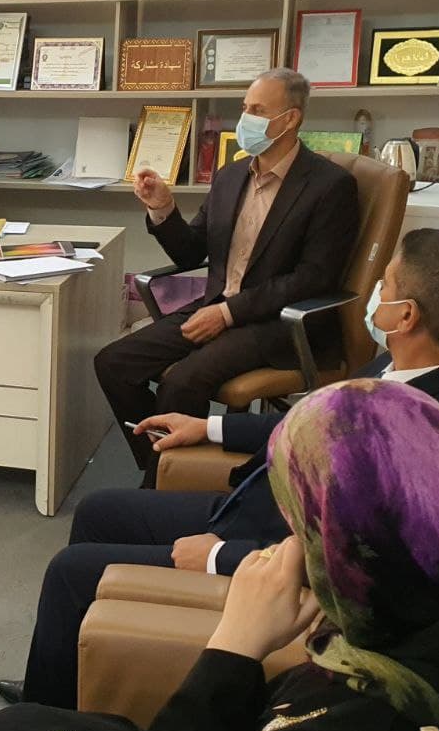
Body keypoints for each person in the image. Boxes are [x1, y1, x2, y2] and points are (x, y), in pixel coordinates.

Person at [0, 229, 439, 709]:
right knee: (98, 510)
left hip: (270, 552)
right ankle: (63, 680)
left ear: (406, 314)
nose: (375, 291)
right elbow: (308, 427)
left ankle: (48, 714)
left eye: (386, 283)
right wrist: (208, 427)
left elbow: (361, 558)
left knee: (70, 573)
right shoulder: (397, 367)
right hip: (253, 508)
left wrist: (221, 557)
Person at [0, 380, 439, 731]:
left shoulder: (372, 715)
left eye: (300, 522)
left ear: (340, 540)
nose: (292, 542)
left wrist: (234, 646)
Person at [96, 67, 360, 476]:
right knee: (113, 362)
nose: (245, 119)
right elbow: (191, 252)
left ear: (291, 118)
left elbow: (314, 278)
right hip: (215, 306)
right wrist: (163, 208)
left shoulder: (330, 186)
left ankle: (165, 484)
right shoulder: (231, 175)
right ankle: (167, 472)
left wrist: (228, 313)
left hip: (278, 323)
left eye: (258, 110)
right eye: (245, 108)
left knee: (182, 382)